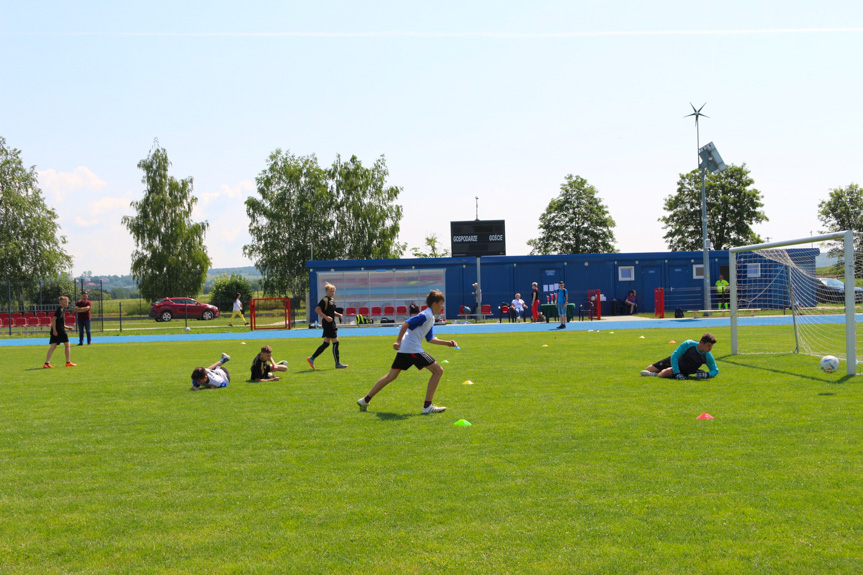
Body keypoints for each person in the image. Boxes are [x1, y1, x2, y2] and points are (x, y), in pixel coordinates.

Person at [357, 289, 457, 414]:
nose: (442, 307)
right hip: (411, 349)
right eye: (441, 304)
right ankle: (427, 406)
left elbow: (430, 339)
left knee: (391, 376)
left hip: (406, 349)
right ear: (435, 304)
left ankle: (365, 400)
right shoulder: (425, 315)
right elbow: (406, 323)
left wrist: (447, 343)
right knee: (438, 371)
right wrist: (398, 341)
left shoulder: (430, 317)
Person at [640, 333, 718, 379]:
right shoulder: (688, 344)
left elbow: (715, 370)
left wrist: (707, 374)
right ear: (701, 342)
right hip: (675, 360)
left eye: (711, 346)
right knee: (649, 368)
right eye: (708, 345)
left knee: (666, 372)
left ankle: (654, 375)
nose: (710, 348)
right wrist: (677, 373)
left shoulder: (707, 355)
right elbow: (675, 356)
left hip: (683, 368)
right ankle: (655, 372)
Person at [307, 283, 348, 369]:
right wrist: (326, 317)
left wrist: (338, 314)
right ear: (326, 291)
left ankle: (312, 358)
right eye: (331, 291)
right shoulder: (324, 300)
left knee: (326, 344)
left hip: (331, 323)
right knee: (336, 342)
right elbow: (317, 310)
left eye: (334, 291)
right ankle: (337, 363)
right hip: (328, 323)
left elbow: (331, 311)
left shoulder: (331, 300)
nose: (333, 292)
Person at [44, 296, 76, 368]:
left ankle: (46, 363)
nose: (67, 303)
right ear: (61, 302)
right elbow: (53, 320)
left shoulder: (61, 309)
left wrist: (67, 327)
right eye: (65, 302)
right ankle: (68, 362)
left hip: (58, 329)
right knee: (67, 344)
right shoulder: (59, 309)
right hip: (59, 330)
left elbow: (59, 321)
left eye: (67, 302)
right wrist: (55, 331)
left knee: (53, 345)